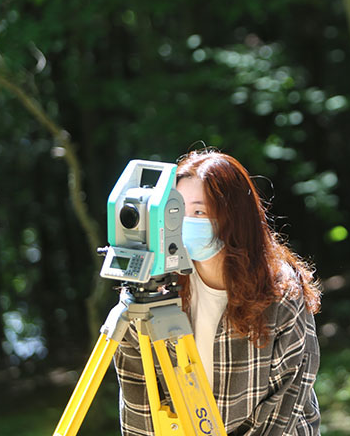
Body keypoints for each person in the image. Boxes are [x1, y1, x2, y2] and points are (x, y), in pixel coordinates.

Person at [114, 149, 322, 436]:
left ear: (234, 218)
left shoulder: (280, 290)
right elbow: (138, 387)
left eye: (199, 211)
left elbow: (289, 392)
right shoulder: (156, 285)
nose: (185, 222)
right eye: (178, 210)